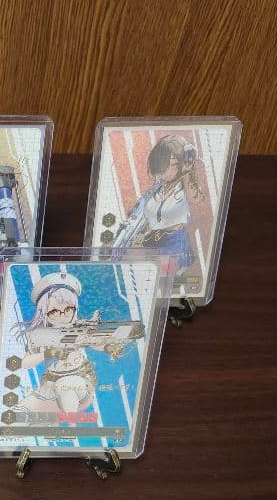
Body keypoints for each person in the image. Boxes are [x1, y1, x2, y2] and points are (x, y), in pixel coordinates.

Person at [13, 272, 128, 416]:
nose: (62, 315)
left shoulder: (79, 329)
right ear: (44, 312)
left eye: (68, 309)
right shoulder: (41, 335)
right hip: (50, 384)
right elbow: (25, 363)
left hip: (80, 382)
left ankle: (72, 423)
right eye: (54, 311)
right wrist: (48, 354)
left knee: (65, 388)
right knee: (17, 415)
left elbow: (94, 341)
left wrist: (109, 347)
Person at [112, 134, 204, 273]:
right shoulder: (158, 188)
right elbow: (142, 210)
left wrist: (187, 170)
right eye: (162, 167)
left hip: (174, 243)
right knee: (124, 260)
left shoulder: (184, 186)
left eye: (170, 165)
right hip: (152, 239)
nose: (162, 173)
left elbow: (194, 198)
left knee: (153, 270)